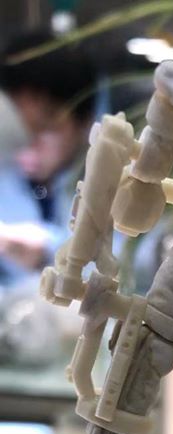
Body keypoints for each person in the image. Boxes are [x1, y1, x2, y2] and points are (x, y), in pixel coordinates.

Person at [0, 31, 97, 286]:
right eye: (20, 124)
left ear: (84, 124)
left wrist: (47, 248)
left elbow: (137, 261)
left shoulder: (110, 184)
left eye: (47, 124)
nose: (29, 141)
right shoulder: (5, 177)